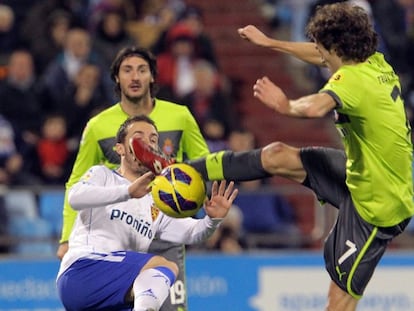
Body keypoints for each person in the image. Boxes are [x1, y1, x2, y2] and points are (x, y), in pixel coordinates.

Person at [132, 3, 414, 310]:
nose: (319, 56)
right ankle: (183, 169)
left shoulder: (351, 82)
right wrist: (270, 43)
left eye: (322, 49)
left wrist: (286, 106)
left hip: (377, 208)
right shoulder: (374, 62)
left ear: (336, 48)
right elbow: (321, 54)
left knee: (339, 298)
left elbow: (318, 105)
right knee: (277, 155)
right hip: (362, 176)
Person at [57, 46, 210, 311]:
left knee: (170, 298)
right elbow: (76, 186)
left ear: (152, 76)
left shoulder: (180, 115)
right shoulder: (99, 129)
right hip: (105, 225)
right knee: (160, 270)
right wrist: (65, 236)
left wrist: (210, 211)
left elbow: (205, 165)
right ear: (117, 78)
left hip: (160, 211)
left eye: (142, 70)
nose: (135, 77)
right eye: (127, 70)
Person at [56, 115, 238, 311]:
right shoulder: (103, 175)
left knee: (160, 274)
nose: (147, 144)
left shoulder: (157, 202)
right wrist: (127, 192)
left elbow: (192, 232)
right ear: (120, 148)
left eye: (153, 140)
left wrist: (213, 219)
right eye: (138, 138)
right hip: (83, 271)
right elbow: (75, 197)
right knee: (166, 265)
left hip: (116, 295)